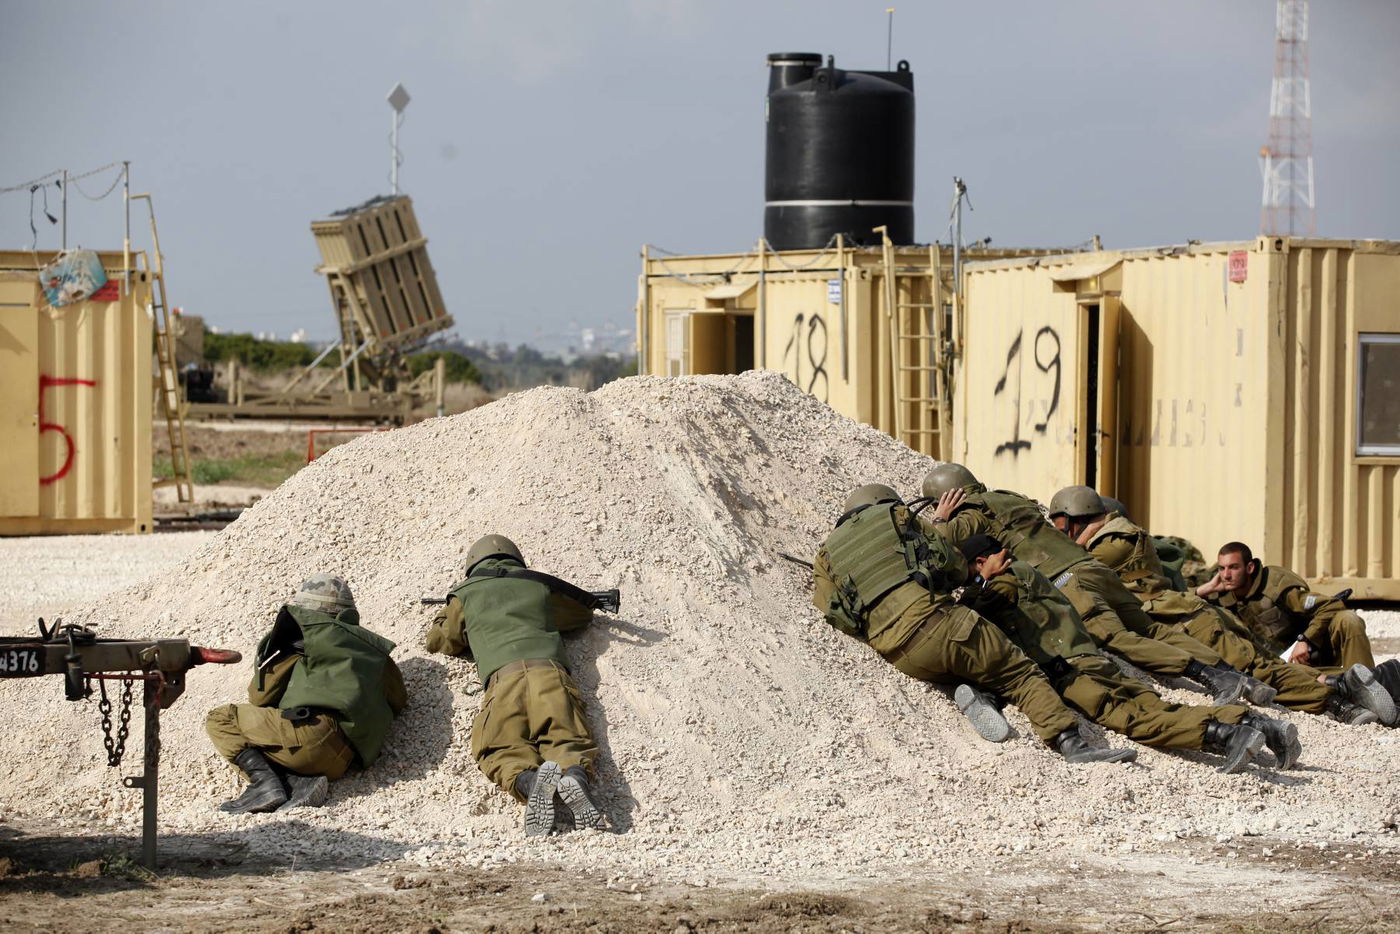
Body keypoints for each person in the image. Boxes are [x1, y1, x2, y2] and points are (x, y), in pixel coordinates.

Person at [812, 483, 1136, 765]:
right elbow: (950, 563)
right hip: (943, 624)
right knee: (1020, 674)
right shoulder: (898, 518)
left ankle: (982, 695)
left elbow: (835, 613)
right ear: (887, 502)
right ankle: (1070, 742)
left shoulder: (825, 555)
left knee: (972, 665)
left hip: (899, 653)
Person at [917, 464, 1271, 707]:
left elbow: (939, 544)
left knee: (1116, 638)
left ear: (948, 496)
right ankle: (1236, 676)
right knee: (1150, 629)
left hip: (1065, 580)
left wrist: (940, 518)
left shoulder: (970, 513)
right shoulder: (1009, 497)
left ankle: (1210, 676)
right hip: (1093, 568)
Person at [1047, 486, 1395, 728]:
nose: (1061, 534)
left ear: (1080, 518)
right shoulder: (1118, 536)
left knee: (1258, 672)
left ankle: (1340, 700)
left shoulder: (1111, 543)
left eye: (1062, 526)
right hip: (1193, 616)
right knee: (1264, 665)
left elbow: (1066, 567)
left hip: (1188, 623)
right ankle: (1344, 686)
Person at [958, 534, 1294, 772]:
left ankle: (1227, 737)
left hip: (1073, 672)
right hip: (1093, 660)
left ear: (983, 562)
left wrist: (980, 582)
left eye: (974, 570)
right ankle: (1259, 724)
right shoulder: (1030, 572)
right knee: (1160, 707)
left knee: (1136, 720)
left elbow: (969, 614)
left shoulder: (1004, 581)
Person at [426, 534, 606, 836]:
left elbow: (440, 641)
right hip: (550, 673)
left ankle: (530, 781)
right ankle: (573, 776)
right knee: (568, 737)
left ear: (472, 564)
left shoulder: (466, 594)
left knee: (500, 746)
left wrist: (452, 611)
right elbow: (581, 615)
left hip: (504, 679)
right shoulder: (538, 585)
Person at [206, 574, 407, 814]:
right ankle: (299, 782)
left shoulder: (301, 644)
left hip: (308, 739)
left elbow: (259, 697)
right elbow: (399, 700)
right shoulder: (374, 653)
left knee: (221, 719)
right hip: (343, 760)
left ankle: (266, 785)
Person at [1198, 543, 1378, 674]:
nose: (1226, 575)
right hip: (1274, 667)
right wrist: (1204, 589)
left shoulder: (1276, 587)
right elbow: (1176, 600)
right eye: (1222, 569)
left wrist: (1305, 640)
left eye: (1233, 567)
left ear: (1250, 567)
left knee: (1348, 619)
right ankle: (1347, 683)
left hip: (1313, 651)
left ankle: (1368, 683)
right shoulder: (1218, 594)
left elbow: (1330, 604)